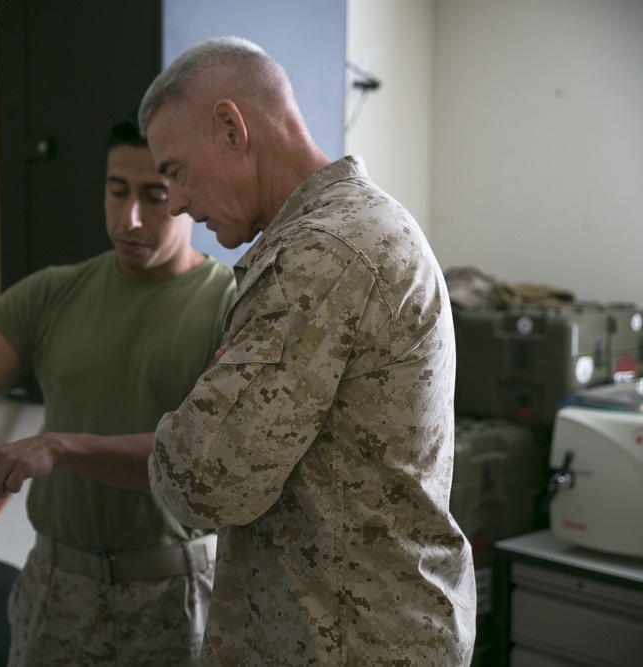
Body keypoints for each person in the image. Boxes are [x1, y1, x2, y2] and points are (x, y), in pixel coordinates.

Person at [138, 37, 477, 665]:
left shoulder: (323, 252)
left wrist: (183, 432)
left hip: (345, 643)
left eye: (177, 171)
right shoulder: (346, 230)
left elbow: (206, 480)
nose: (178, 203)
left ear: (230, 128)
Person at [0, 115, 236, 666]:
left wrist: (57, 447)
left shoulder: (231, 307)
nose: (129, 217)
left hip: (177, 595)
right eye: (116, 191)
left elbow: (197, 457)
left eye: (154, 195)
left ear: (187, 191)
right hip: (58, 593)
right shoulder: (53, 294)